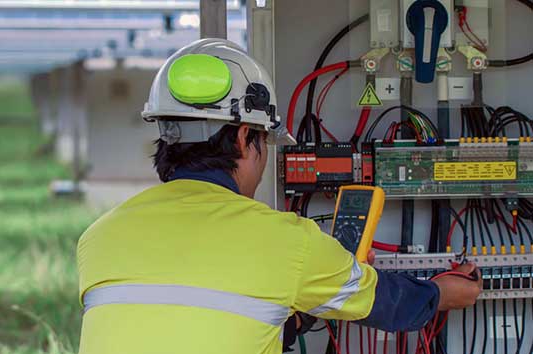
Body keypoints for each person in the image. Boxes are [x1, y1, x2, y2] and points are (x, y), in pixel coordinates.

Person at [77, 39, 482, 354]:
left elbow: (196, 324)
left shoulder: (99, 237)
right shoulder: (288, 242)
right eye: (264, 143)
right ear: (242, 138)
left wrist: (301, 312)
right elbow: (387, 303)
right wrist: (442, 292)